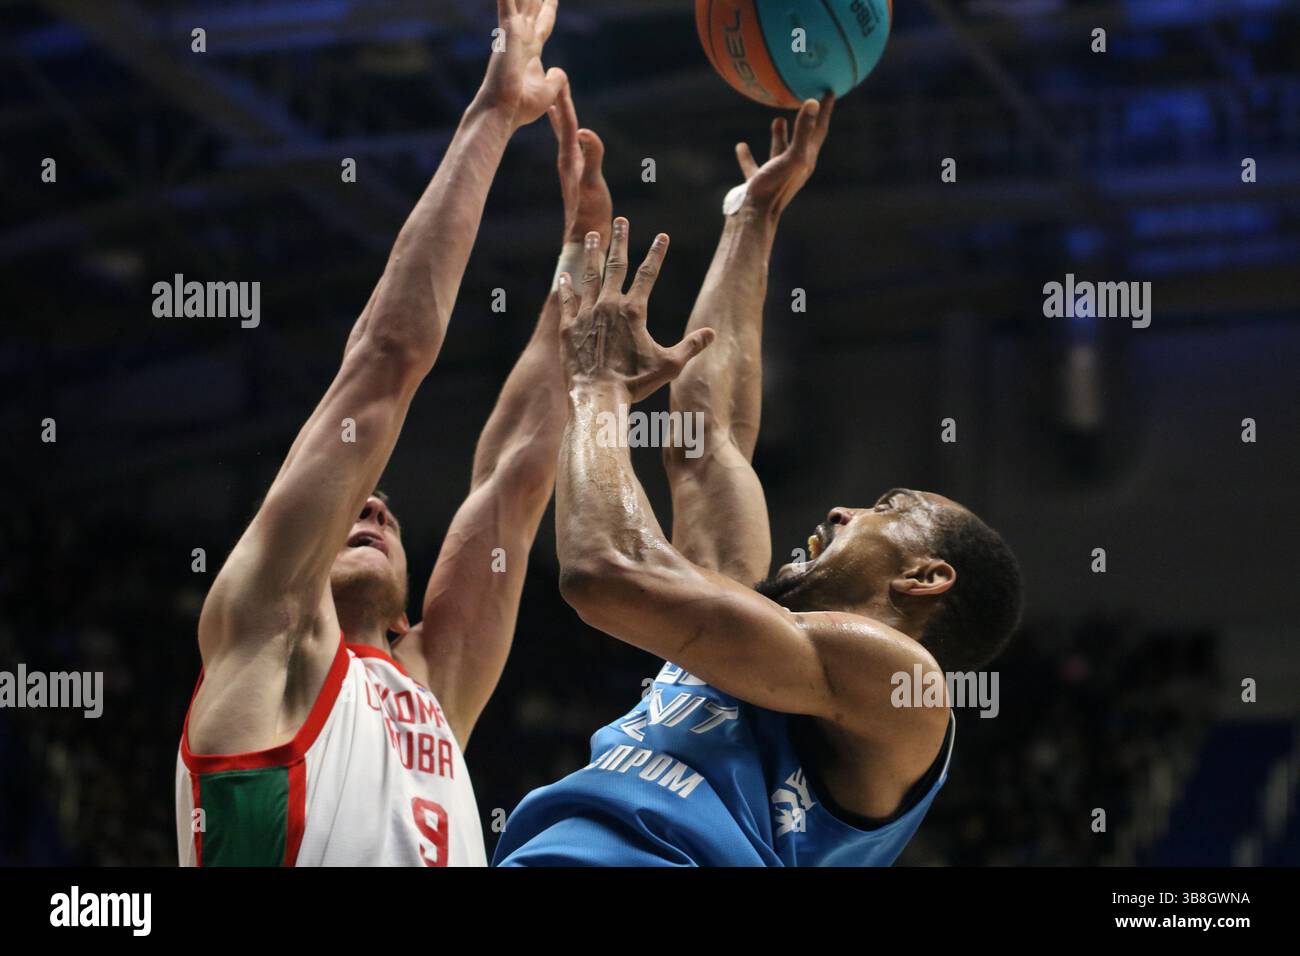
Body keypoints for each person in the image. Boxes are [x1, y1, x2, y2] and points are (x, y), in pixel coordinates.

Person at [494, 97, 1023, 866]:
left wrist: (597, 393)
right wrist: (754, 216)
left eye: (887, 509)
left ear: (927, 575)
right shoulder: (745, 629)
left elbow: (605, 573)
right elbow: (706, 443)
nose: (843, 507)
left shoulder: (904, 685)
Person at [175, 0, 601, 866]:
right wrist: (491, 116)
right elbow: (386, 359)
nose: (371, 499)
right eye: (359, 509)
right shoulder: (266, 623)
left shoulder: (431, 687)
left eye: (388, 516)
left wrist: (580, 268)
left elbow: (517, 484)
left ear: (408, 609)